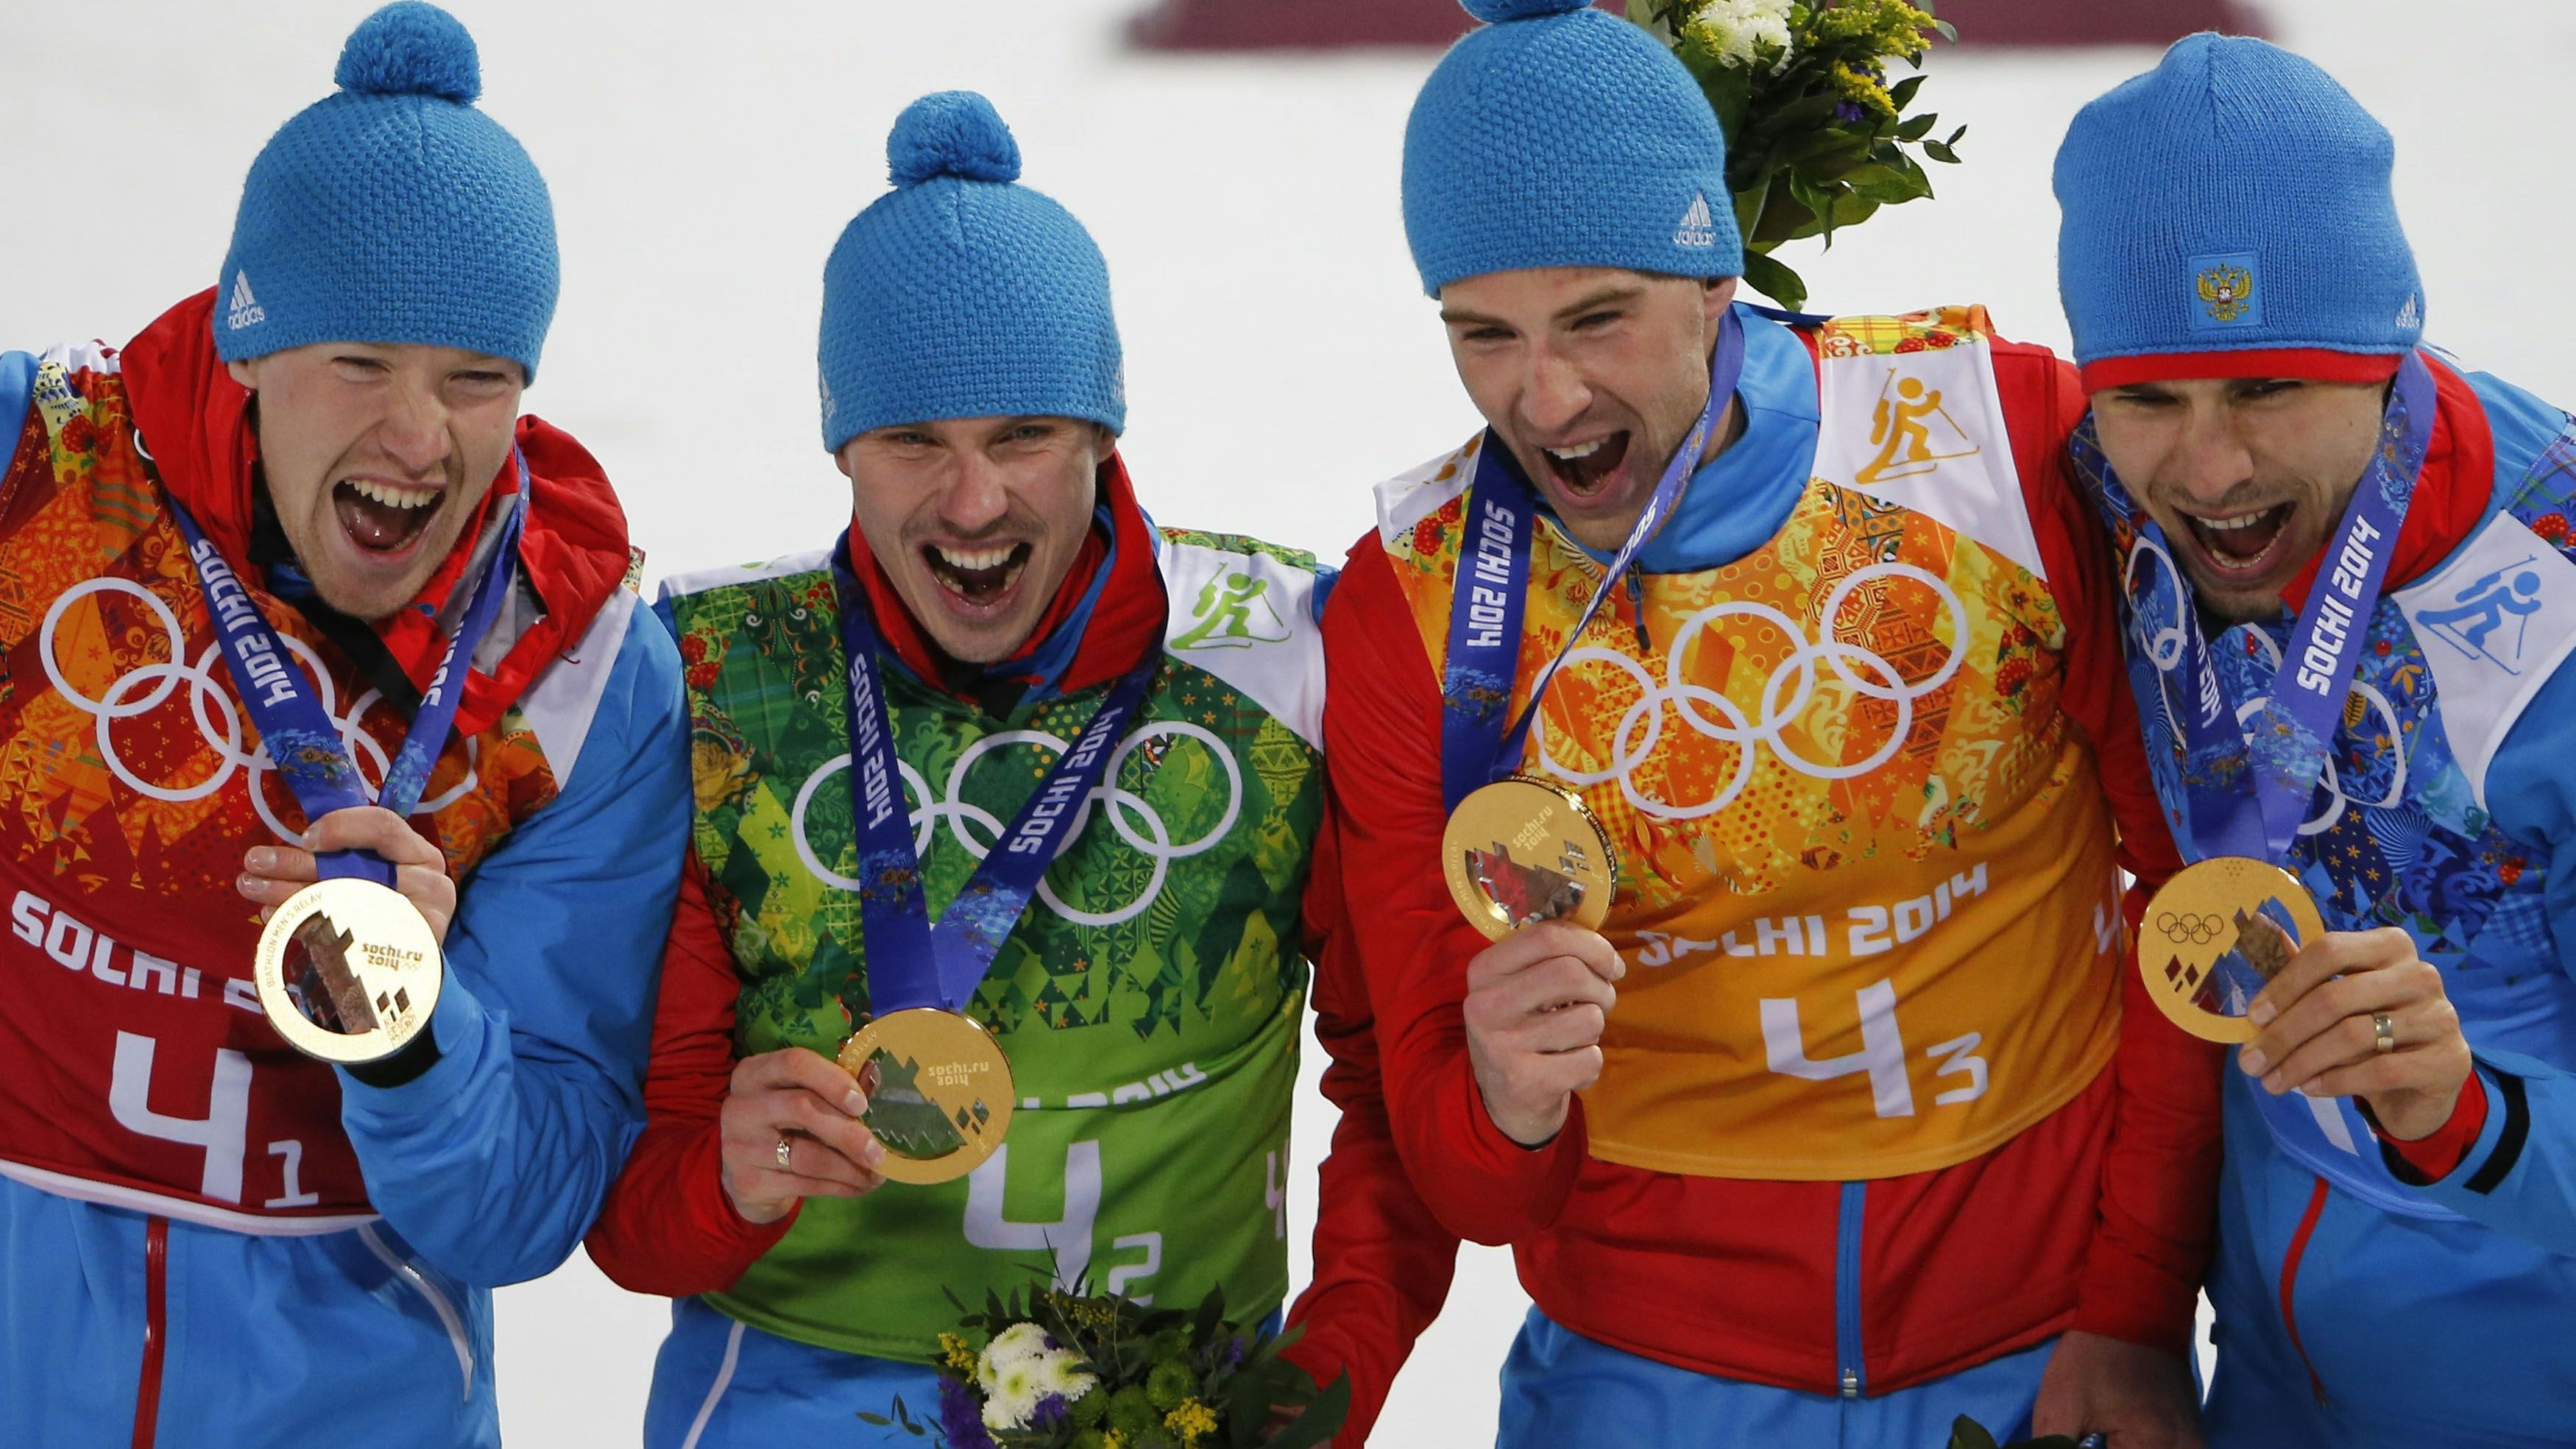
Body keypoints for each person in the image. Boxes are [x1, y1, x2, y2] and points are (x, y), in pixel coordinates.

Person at [1305, 0, 2223, 1442]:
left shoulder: (1992, 438)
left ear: (1716, 277)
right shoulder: (1404, 607)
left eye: (1597, 317)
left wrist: (2133, 1307)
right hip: (1642, 1371)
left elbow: (2194, 888)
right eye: (1482, 336)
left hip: (2039, 1345)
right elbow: (1469, 1180)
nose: (1543, 399)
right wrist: (1499, 1098)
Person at [582, 91, 1415, 1444]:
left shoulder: (1282, 655)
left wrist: (1335, 1361)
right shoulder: (711, 677)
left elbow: (1388, 1075)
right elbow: (630, 1210)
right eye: (915, 442)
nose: (972, 506)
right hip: (809, 1391)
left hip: (1188, 1398)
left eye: (1023, 435)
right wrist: (720, 1182)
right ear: (843, 445)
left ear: (1102, 430)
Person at [0, 5, 689, 1445]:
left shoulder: (577, 672)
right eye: (363, 363)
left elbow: (527, 1206)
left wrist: (413, 1027)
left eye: (476, 379)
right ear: (249, 344)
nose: (422, 437)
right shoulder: (43, 485)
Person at [2058, 35, 2576, 1449]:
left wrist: (2469, 1115)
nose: (2209, 471)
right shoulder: (2100, 497)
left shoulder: (2559, 588)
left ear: (2387, 350)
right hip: (2266, 1384)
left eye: (2270, 388)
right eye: (2151, 397)